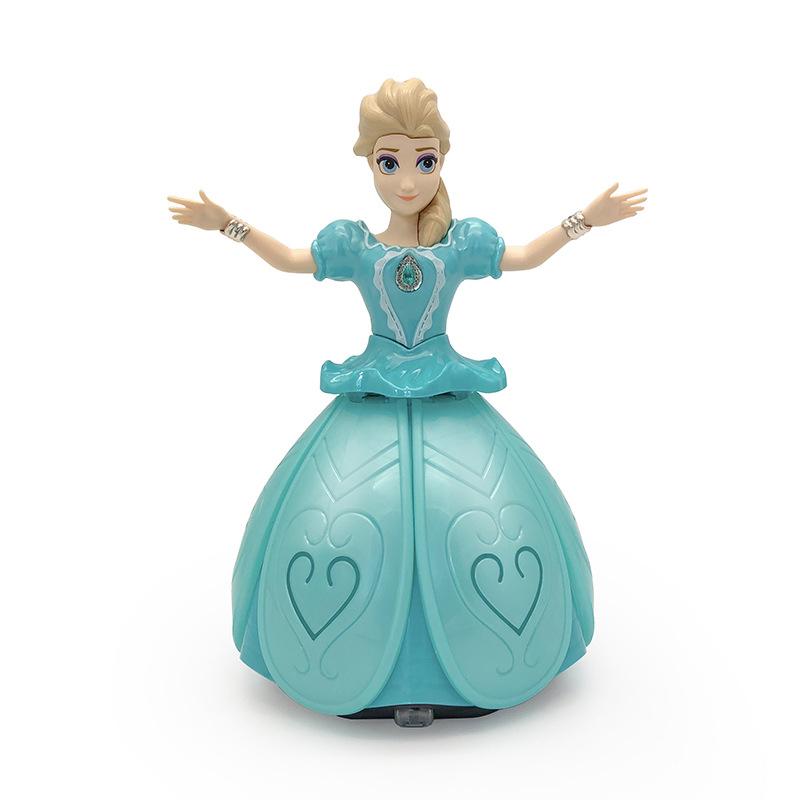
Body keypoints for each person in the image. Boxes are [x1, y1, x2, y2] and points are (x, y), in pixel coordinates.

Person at [167, 78, 647, 727]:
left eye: (425, 161)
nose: (408, 179)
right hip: (374, 387)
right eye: (389, 162)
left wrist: (585, 219)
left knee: (490, 513)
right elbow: (288, 259)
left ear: (442, 161)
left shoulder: (461, 245)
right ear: (369, 164)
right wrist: (225, 223)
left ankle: (488, 655)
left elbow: (526, 257)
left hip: (446, 384)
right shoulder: (355, 246)